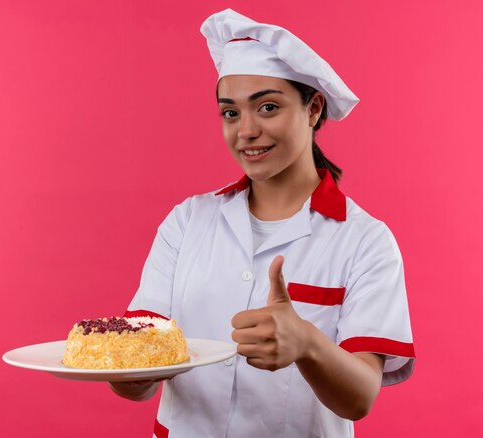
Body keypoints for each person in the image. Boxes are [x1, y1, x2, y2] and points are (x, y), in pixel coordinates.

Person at [109, 8, 415, 438]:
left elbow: (361, 396)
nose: (246, 131)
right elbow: (139, 371)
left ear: (313, 109)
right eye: (230, 113)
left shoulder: (364, 240)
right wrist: (127, 371)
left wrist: (306, 344)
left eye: (267, 107)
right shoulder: (187, 222)